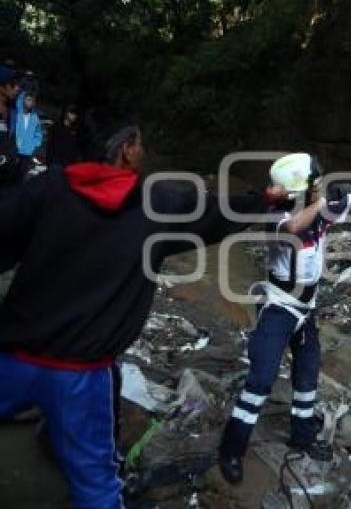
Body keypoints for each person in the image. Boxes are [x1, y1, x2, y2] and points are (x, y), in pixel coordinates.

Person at [0, 107, 289, 508]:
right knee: (97, 484)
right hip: (79, 375)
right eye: (139, 143)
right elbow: (217, 212)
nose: (143, 150)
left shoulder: (46, 188)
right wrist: (265, 199)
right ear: (126, 150)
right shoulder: (156, 203)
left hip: (12, 356)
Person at [217, 153, 351, 484]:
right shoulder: (277, 215)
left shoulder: (321, 209)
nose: (321, 188)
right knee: (260, 379)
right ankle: (231, 449)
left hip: (306, 309)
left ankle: (302, 436)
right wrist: (325, 200)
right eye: (315, 184)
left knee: (307, 372)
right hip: (279, 307)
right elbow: (296, 226)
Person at [11, 90, 44, 182]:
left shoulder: (34, 117)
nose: (31, 102)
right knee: (10, 176)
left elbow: (38, 133)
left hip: (27, 153)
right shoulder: (16, 114)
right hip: (14, 151)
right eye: (28, 99)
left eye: (32, 100)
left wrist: (33, 145)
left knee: (20, 178)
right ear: (22, 100)